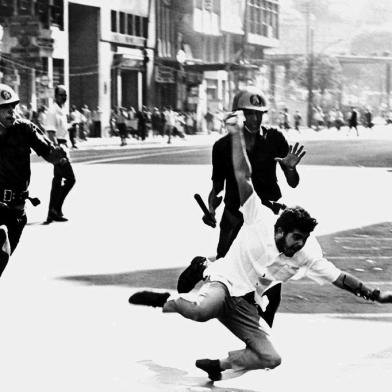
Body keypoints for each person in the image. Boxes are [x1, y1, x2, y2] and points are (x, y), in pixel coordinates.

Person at [128, 116, 392, 382]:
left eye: (303, 239)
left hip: (248, 301)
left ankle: (218, 366)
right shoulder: (259, 216)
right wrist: (235, 135)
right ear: (279, 231)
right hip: (225, 283)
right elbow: (243, 174)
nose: (299, 244)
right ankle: (167, 297)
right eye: (296, 238)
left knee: (271, 358)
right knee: (201, 311)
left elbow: (340, 278)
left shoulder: (305, 252)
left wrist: (374, 295)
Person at [177, 87, 304, 327]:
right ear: (239, 114)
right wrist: (212, 209)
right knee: (226, 272)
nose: (255, 119)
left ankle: (262, 334)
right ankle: (202, 266)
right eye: (249, 113)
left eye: (259, 114)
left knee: (271, 283)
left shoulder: (275, 139)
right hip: (236, 214)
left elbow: (294, 183)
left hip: (268, 218)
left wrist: (290, 168)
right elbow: (217, 187)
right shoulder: (223, 146)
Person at [0, 84, 67, 276]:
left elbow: (47, 151)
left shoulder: (25, 129)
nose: (11, 112)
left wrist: (56, 155)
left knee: (2, 260)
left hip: (16, 210)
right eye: (5, 108)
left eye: (13, 107)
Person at [44, 85, 76, 223]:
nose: (64, 97)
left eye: (66, 95)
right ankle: (55, 209)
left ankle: (53, 212)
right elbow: (51, 134)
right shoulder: (52, 111)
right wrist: (58, 153)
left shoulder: (62, 110)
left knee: (57, 181)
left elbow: (61, 129)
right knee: (71, 179)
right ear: (55, 96)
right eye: (62, 95)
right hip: (58, 149)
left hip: (63, 146)